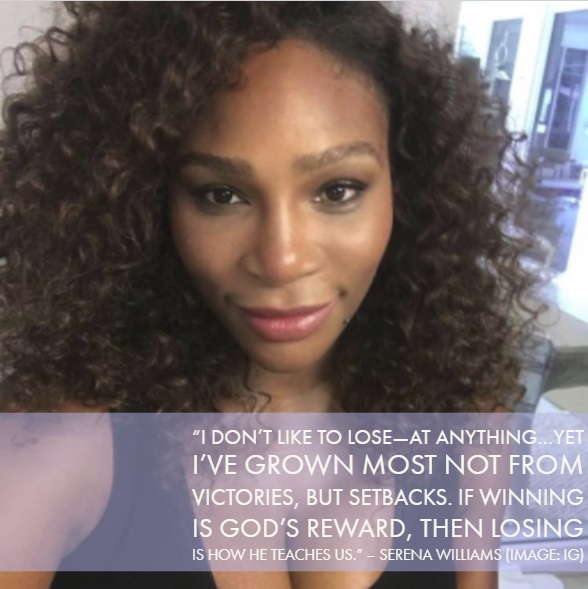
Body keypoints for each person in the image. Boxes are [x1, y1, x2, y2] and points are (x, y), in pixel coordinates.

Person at [0, 2, 541, 588]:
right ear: (145, 199)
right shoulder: (59, 442)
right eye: (221, 195)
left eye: (337, 190)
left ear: (404, 187)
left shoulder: (467, 419)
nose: (282, 261)